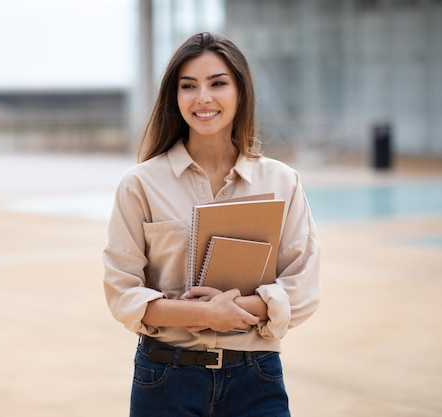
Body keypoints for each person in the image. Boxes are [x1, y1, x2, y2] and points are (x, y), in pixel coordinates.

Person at [103, 32, 320, 417]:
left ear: (240, 92)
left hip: (257, 378)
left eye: (217, 83)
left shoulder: (282, 182)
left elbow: (301, 290)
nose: (203, 98)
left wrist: (229, 309)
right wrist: (203, 315)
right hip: (165, 380)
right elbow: (124, 295)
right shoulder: (140, 185)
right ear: (175, 97)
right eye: (189, 86)